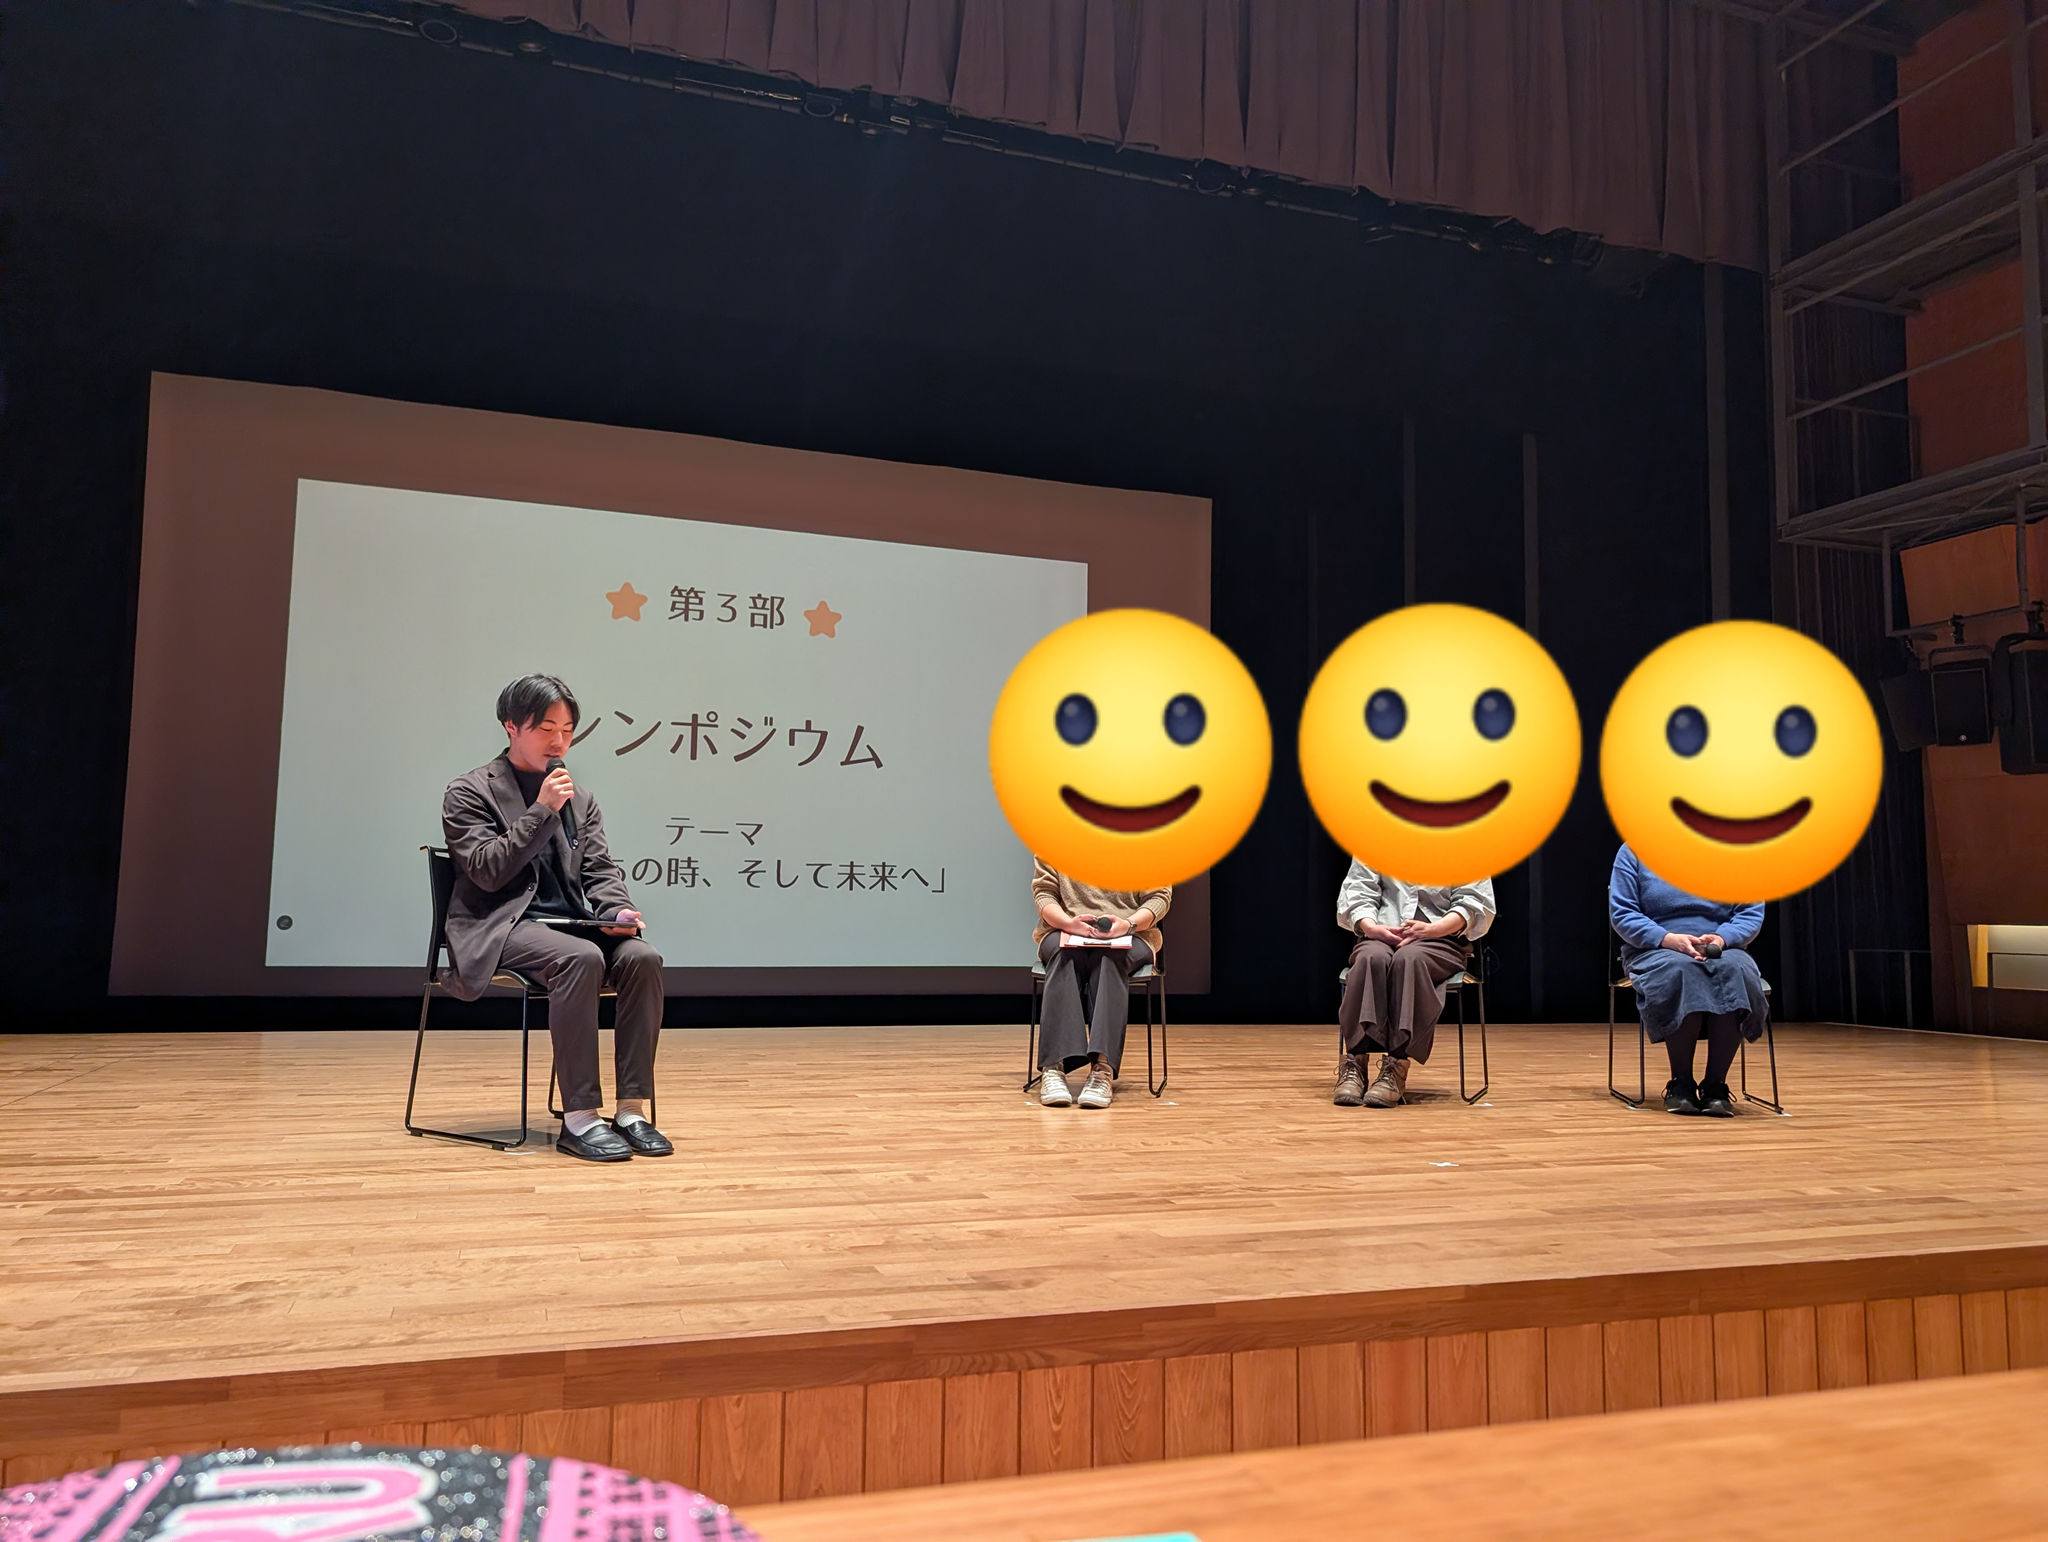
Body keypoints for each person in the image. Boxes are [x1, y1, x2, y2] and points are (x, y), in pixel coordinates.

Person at [441, 674, 671, 1161]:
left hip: (568, 926)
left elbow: (600, 870)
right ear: (511, 726)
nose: (559, 742)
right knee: (581, 958)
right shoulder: (469, 791)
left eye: (567, 731)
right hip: (500, 926)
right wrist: (542, 810)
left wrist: (616, 910)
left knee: (642, 958)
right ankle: (580, 1118)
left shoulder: (580, 799)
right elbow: (486, 871)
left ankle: (631, 1111)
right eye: (546, 729)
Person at [1608, 842, 1768, 1117]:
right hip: (1655, 948)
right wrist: (1667, 939)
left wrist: (1721, 938)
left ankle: (1716, 1086)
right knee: (1683, 970)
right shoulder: (1634, 850)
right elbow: (1623, 913)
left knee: (1736, 971)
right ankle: (1681, 1084)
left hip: (1721, 947)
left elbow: (1749, 913)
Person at [1334, 859, 1495, 1107]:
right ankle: (1355, 1062)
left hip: (1440, 940)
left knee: (1409, 960)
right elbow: (1359, 889)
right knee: (1370, 958)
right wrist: (1371, 927)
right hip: (1382, 933)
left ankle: (1396, 1066)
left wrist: (1434, 929)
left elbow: (1472, 901)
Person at [1031, 860, 1171, 1108]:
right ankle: (1054, 1067)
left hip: (1132, 933)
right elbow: (1045, 893)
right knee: (1064, 954)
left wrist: (1128, 925)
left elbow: (1159, 897)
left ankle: (1102, 1069)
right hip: (1063, 929)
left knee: (1109, 958)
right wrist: (1067, 923)